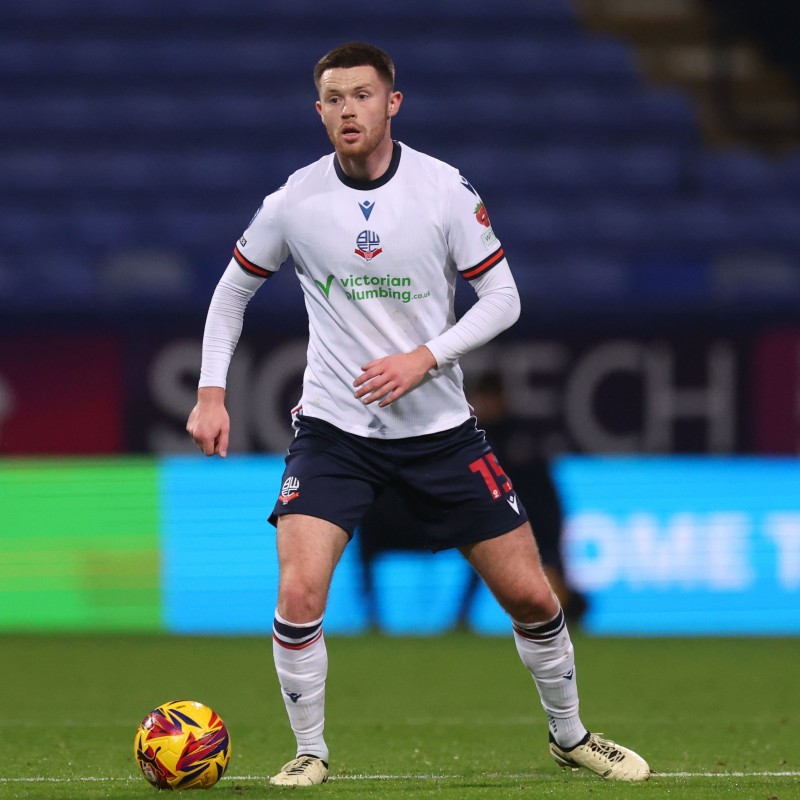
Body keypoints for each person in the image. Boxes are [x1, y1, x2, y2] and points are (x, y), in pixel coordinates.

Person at [186, 42, 650, 787]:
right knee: (299, 593)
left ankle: (570, 736)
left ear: (392, 103)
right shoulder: (294, 202)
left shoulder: (442, 191)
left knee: (532, 595)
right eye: (334, 98)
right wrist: (212, 391)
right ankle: (310, 751)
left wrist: (424, 358)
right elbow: (232, 290)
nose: (348, 110)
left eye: (362, 96)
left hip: (440, 433)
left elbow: (504, 299)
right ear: (319, 111)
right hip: (335, 434)